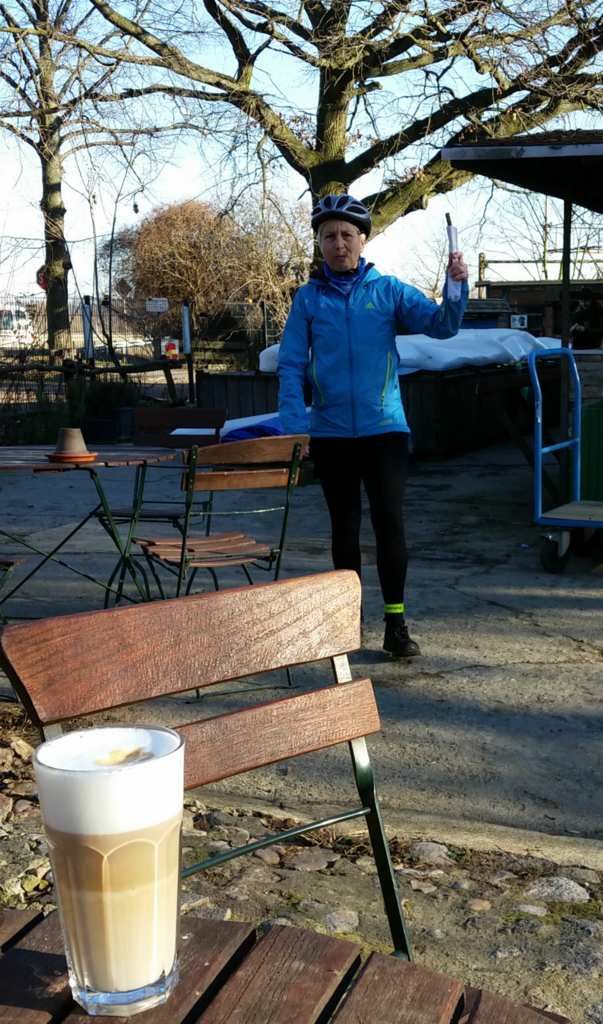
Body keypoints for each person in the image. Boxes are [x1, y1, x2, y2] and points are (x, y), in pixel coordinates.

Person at [278, 193, 468, 658]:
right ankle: (349, 623)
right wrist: (295, 425)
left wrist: (455, 286)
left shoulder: (388, 291)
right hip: (330, 433)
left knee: (389, 524)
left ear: (363, 240)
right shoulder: (308, 299)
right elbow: (290, 364)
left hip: (384, 430)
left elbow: (443, 325)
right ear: (319, 244)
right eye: (329, 236)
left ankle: (395, 624)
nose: (339, 243)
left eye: (347, 234)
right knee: (344, 530)